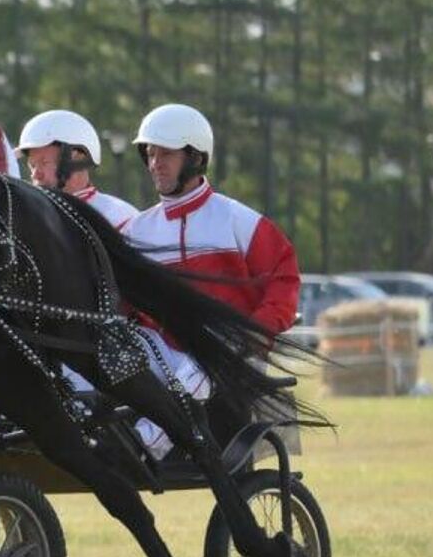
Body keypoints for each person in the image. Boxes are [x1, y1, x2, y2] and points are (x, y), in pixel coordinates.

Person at [122, 104, 300, 445]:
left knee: (203, 365)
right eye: (150, 153)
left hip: (228, 349)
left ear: (196, 158)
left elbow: (285, 279)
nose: (155, 163)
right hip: (167, 351)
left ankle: (142, 446)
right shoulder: (136, 231)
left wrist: (255, 331)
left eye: (167, 154)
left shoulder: (238, 220)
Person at [16, 109, 139, 227]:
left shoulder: (119, 218)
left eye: (44, 163)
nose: (35, 175)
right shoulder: (25, 221)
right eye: (32, 166)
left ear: (77, 158)